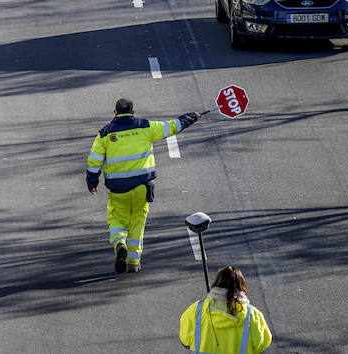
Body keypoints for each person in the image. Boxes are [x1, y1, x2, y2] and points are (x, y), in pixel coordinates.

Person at [85, 97, 209, 273]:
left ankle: (120, 243)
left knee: (116, 221)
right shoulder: (145, 127)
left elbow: (94, 161)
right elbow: (173, 126)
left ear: (115, 113)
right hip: (141, 188)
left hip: (118, 189)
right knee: (137, 223)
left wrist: (92, 182)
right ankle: (133, 263)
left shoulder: (105, 134)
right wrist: (193, 116)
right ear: (133, 111)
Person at [179, 266, 273, 353]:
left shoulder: (196, 310)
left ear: (216, 284)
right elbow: (261, 345)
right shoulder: (252, 315)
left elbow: (185, 341)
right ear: (242, 286)